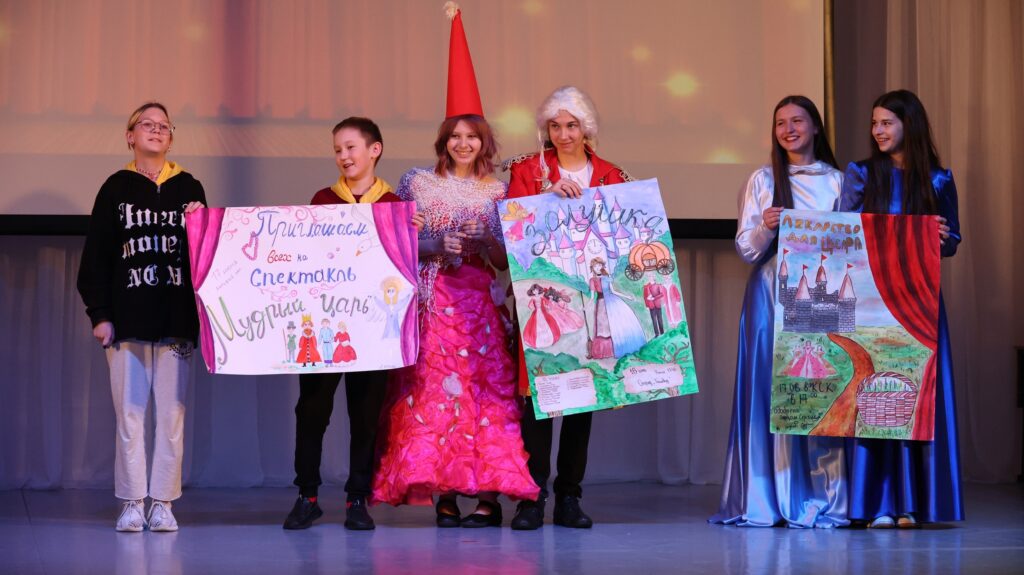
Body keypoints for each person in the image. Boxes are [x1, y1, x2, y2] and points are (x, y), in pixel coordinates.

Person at [371, 3, 539, 528]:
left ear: (484, 141)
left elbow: (504, 259)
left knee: (484, 394)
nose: (463, 144)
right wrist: (433, 244)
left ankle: (488, 496)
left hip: (480, 305)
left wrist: (487, 239)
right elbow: (395, 246)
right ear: (443, 139)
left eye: (472, 136)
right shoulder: (416, 182)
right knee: (437, 393)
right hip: (434, 303)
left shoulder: (499, 190)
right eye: (455, 135)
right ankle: (444, 492)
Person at [709, 95, 849, 528]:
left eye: (798, 121)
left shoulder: (839, 182)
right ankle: (767, 496)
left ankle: (824, 496)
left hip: (821, 299)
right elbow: (747, 251)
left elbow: (851, 247)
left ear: (815, 127)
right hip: (771, 296)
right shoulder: (762, 179)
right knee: (772, 392)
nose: (789, 129)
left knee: (820, 387)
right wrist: (766, 227)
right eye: (781, 123)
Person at [505, 85, 633, 530]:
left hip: (593, 302)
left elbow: (628, 236)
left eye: (572, 125)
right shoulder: (527, 171)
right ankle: (530, 498)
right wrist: (545, 199)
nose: (563, 134)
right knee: (538, 400)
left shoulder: (612, 175)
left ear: (586, 128)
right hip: (543, 300)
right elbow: (510, 226)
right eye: (555, 126)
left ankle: (569, 497)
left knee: (582, 399)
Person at [77, 102, 206, 532]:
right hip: (127, 322)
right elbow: (96, 258)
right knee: (130, 415)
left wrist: (200, 224)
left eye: (164, 125)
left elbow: (206, 257)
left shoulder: (189, 186)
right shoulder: (115, 188)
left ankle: (163, 502)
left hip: (176, 321)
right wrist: (100, 314)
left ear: (171, 136)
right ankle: (133, 500)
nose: (156, 130)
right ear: (130, 136)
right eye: (146, 124)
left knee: (171, 416)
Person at [839, 89, 963, 528]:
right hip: (873, 301)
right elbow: (840, 230)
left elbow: (952, 242)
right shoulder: (860, 173)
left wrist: (943, 235)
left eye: (886, 123)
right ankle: (875, 504)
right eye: (874, 123)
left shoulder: (939, 179)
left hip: (919, 301)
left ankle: (912, 505)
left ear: (909, 124)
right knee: (876, 395)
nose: (878, 131)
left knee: (914, 393)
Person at [282, 117, 406, 531]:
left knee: (365, 415)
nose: (343, 156)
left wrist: (411, 237)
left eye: (351, 147)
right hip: (325, 325)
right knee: (312, 411)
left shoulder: (394, 204)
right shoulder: (322, 200)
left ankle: (358, 498)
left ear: (375, 149)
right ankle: (307, 495)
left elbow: (400, 268)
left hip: (372, 328)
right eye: (337, 149)